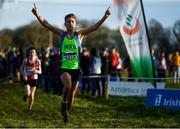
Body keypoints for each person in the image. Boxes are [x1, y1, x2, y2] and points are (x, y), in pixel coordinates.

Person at [32, 3, 110, 123]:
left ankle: (66, 112)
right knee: (67, 85)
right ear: (65, 24)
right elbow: (46, 24)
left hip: (76, 69)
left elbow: (94, 27)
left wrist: (105, 17)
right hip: (64, 68)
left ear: (75, 23)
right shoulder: (61, 34)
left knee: (72, 93)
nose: (70, 23)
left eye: (72, 21)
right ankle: (63, 103)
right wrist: (37, 15)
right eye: (68, 21)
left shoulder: (80, 35)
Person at [20, 47, 42, 111]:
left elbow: (40, 72)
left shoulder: (38, 61)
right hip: (27, 78)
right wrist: (23, 74)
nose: (32, 54)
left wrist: (36, 71)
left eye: (33, 52)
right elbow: (21, 68)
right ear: (29, 53)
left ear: (35, 53)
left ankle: (29, 109)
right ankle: (25, 95)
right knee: (28, 93)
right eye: (31, 52)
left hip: (34, 79)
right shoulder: (25, 60)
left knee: (32, 96)